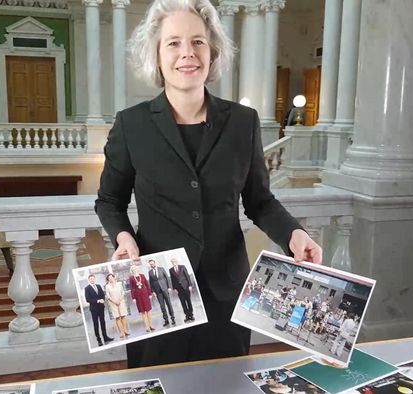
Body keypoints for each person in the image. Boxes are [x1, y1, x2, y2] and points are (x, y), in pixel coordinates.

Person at [94, 0, 322, 368]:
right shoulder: (131, 125)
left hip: (226, 292)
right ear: (156, 54)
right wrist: (123, 237)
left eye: (198, 42)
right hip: (158, 293)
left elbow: (260, 201)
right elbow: (109, 201)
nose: (187, 53)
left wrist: (293, 233)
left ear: (213, 52)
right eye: (173, 43)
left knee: (227, 384)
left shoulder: (243, 122)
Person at [84, 274, 114, 346]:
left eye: (93, 278)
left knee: (103, 322)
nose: (92, 280)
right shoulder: (87, 288)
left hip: (101, 307)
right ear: (89, 280)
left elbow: (102, 295)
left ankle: (105, 337)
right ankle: (99, 340)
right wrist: (97, 301)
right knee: (96, 324)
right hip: (94, 309)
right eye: (90, 279)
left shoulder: (98, 286)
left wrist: (103, 300)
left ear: (94, 279)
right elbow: (88, 299)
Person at [147, 258, 176, 327]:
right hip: (158, 291)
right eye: (150, 264)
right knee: (162, 306)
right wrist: (152, 291)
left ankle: (173, 319)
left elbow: (167, 278)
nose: (152, 265)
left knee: (169, 304)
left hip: (165, 289)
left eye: (152, 263)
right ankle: (166, 320)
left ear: (155, 263)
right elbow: (151, 283)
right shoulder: (150, 272)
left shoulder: (161, 269)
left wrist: (169, 287)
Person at [128, 265, 155, 332]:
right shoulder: (131, 278)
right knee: (143, 311)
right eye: (133, 269)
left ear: (137, 268)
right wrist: (133, 298)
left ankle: (151, 325)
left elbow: (147, 284)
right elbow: (132, 288)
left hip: (145, 295)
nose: (134, 269)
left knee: (148, 310)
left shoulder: (142, 275)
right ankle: (147, 327)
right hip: (138, 296)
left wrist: (149, 294)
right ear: (131, 270)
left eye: (135, 268)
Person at [104, 273, 130, 338]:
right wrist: (115, 301)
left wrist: (119, 300)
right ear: (108, 279)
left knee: (123, 316)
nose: (111, 278)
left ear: (114, 277)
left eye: (111, 277)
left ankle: (125, 331)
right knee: (117, 317)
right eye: (109, 278)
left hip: (121, 302)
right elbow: (108, 296)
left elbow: (123, 292)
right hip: (113, 303)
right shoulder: (107, 286)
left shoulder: (119, 284)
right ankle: (121, 332)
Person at [169, 257, 194, 322]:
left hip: (186, 286)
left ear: (177, 262)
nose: (174, 263)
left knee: (188, 301)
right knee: (183, 302)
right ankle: (187, 315)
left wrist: (190, 285)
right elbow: (172, 280)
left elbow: (187, 276)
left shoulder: (182, 267)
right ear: (171, 263)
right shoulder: (171, 270)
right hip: (178, 289)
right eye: (172, 262)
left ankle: (191, 314)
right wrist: (174, 288)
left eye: (175, 262)